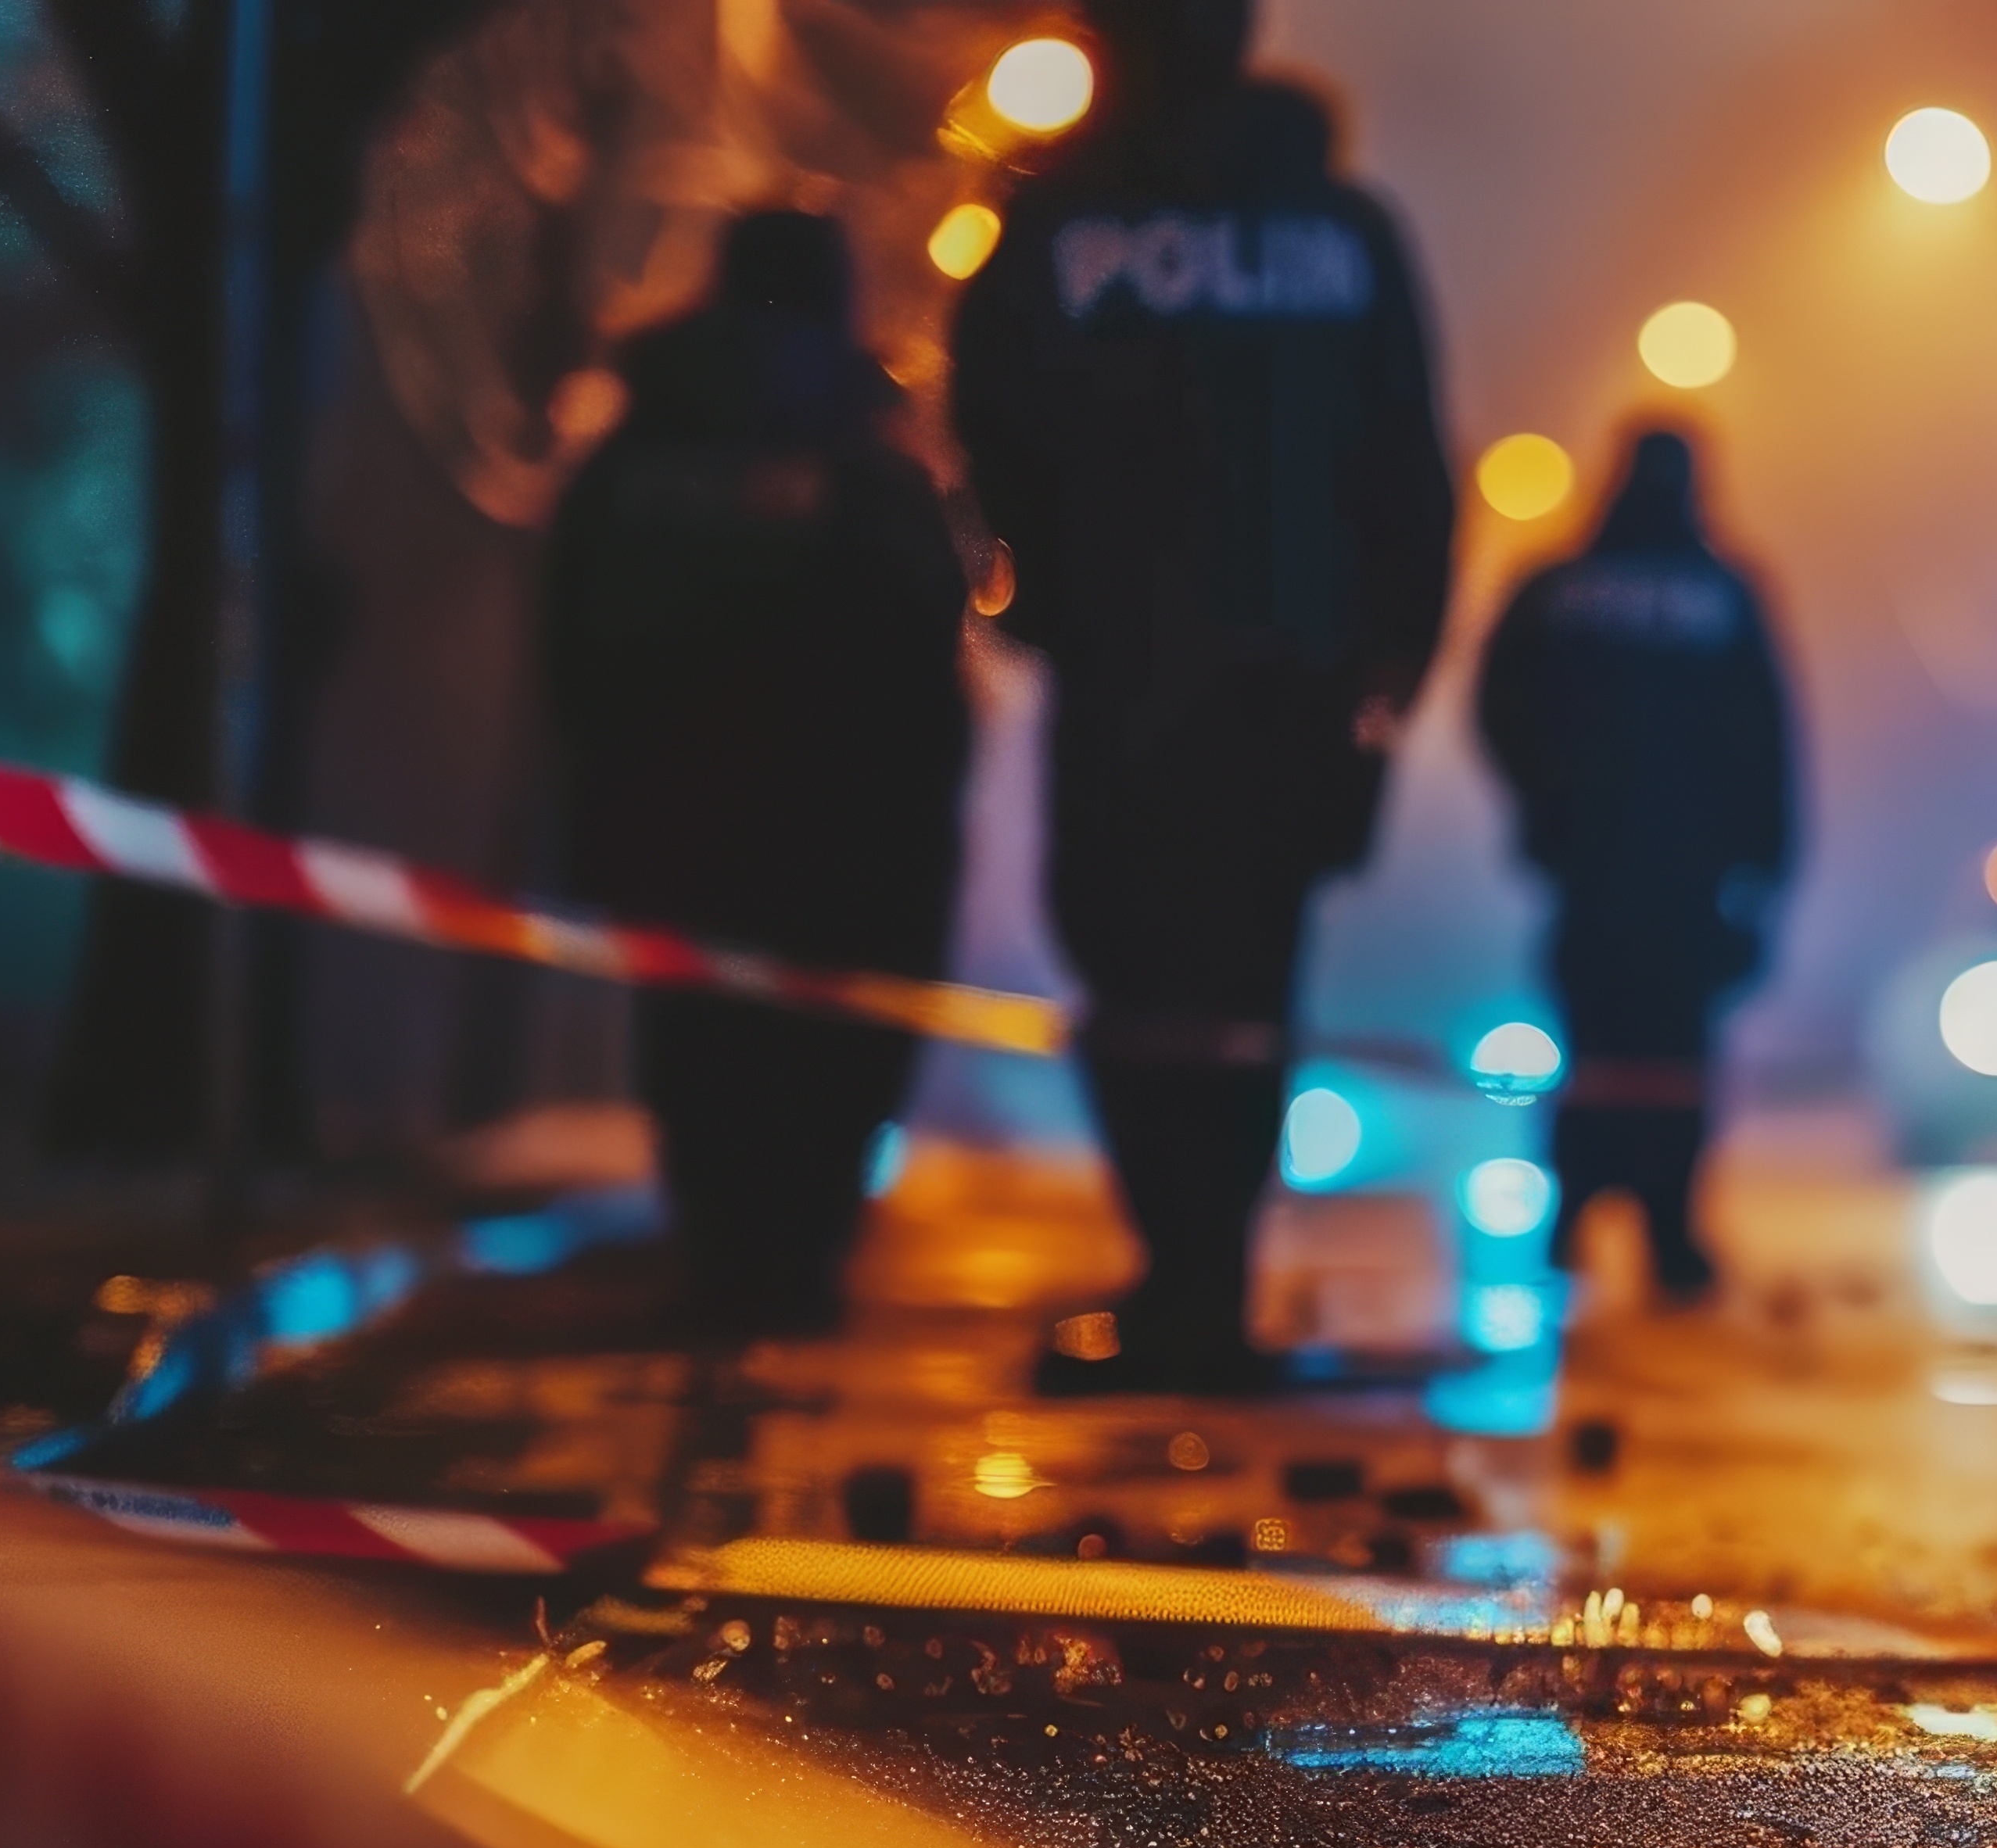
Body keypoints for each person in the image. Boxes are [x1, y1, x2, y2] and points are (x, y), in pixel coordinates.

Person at [951, 0, 1453, 1394]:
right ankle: (1200, 1279)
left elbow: (984, 427)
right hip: (1288, 690)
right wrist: (1386, 668)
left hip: (1127, 678)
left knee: (1132, 972)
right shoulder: (1343, 236)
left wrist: (1038, 600)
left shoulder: (1053, 226)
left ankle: (1184, 1283)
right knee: (1244, 986)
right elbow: (1406, 462)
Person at [543, 209, 970, 1340]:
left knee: (697, 1048)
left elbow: (571, 640)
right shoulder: (867, 467)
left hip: (677, 827)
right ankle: (799, 1261)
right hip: (849, 842)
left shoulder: (637, 457)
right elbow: (927, 666)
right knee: (833, 1058)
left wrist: (607, 791)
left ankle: (722, 1259)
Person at [1475, 428, 1797, 1305]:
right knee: (1673, 1052)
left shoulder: (1557, 589)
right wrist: (1765, 867)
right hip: (1690, 882)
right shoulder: (1725, 596)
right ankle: (1669, 1228)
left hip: (1587, 870)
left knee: (1590, 1040)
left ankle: (1575, 1210)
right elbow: (1767, 739)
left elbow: (1497, 702)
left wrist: (1544, 807)